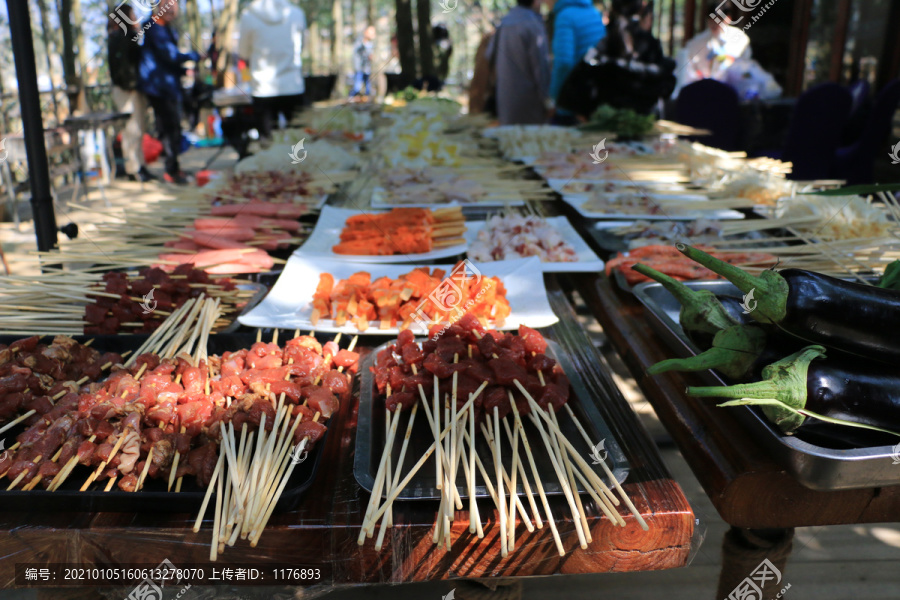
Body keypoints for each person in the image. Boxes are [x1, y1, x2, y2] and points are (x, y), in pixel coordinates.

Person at [556, 0, 675, 117]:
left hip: (606, 122)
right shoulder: (650, 44)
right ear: (642, 9)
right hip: (646, 122)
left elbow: (580, 80)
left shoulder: (604, 41)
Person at [138, 1, 200, 185]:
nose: (172, 9)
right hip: (159, 89)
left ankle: (174, 168)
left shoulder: (167, 29)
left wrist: (183, 71)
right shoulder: (153, 28)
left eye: (175, 4)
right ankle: (171, 171)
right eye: (167, 4)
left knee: (173, 128)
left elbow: (167, 62)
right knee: (169, 128)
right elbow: (170, 56)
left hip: (169, 86)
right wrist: (194, 56)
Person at [238, 0, 308, 141]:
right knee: (300, 142)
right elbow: (302, 47)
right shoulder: (297, 13)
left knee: (268, 143)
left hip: (263, 88)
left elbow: (243, 52)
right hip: (292, 86)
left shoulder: (248, 16)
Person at [108, 4, 154, 182]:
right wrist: (128, 85)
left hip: (135, 88)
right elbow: (118, 67)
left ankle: (139, 166)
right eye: (132, 13)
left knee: (139, 129)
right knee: (131, 130)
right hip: (126, 90)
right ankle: (133, 168)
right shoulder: (118, 38)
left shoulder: (129, 36)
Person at [487, 0, 551, 125]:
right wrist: (547, 100)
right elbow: (541, 67)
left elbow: (489, 56)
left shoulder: (503, 23)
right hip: (530, 102)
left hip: (505, 101)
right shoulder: (534, 25)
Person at [673, 1, 751, 97]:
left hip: (730, 90)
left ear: (728, 19)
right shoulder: (696, 42)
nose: (715, 23)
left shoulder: (740, 39)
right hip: (701, 90)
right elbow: (687, 68)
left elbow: (745, 68)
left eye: (719, 20)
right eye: (712, 20)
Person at [549, 0, 607, 124]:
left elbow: (563, 63)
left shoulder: (565, 17)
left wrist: (554, 98)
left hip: (571, 102)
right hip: (594, 95)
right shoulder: (594, 13)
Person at [351, 26, 376, 97]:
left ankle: (366, 102)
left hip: (367, 69)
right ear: (366, 33)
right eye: (371, 33)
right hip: (359, 69)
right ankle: (352, 99)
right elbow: (357, 54)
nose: (373, 35)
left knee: (368, 88)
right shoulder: (359, 42)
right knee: (357, 87)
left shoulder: (371, 44)